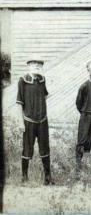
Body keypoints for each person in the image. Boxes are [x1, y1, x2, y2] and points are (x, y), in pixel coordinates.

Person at [16, 57, 53, 185]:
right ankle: (24, 178)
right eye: (34, 63)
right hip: (28, 120)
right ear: (29, 65)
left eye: (39, 64)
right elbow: (19, 103)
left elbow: (46, 95)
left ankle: (48, 178)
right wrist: (21, 122)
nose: (37, 65)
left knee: (45, 148)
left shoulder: (42, 80)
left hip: (43, 120)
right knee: (27, 148)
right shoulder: (23, 80)